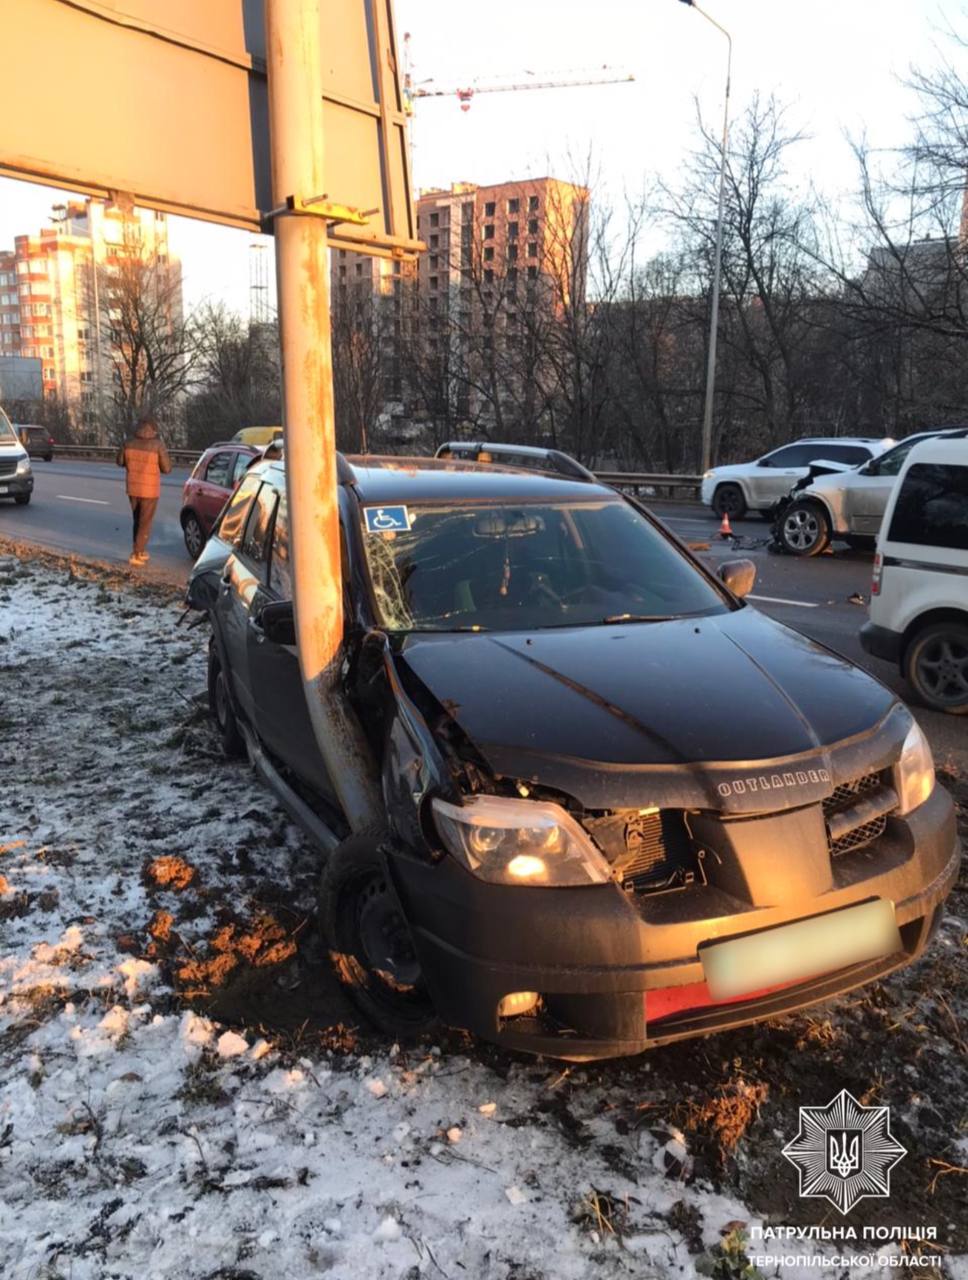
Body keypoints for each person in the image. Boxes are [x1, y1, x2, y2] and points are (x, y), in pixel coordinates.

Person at [115, 415, 171, 565]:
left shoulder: (128, 442)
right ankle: (136, 553)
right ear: (153, 429)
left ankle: (139, 550)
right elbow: (167, 468)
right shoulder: (157, 445)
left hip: (133, 488)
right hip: (150, 489)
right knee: (145, 522)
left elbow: (119, 461)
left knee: (137, 519)